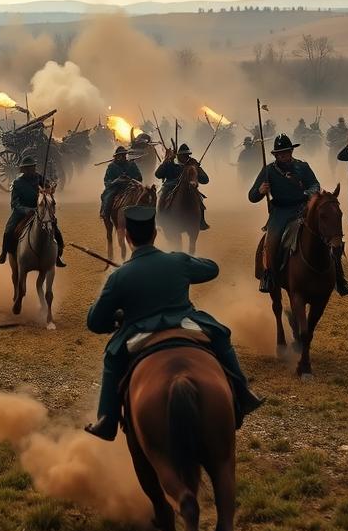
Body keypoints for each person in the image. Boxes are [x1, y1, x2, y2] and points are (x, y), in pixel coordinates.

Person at [83, 205, 263, 441]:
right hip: (185, 322)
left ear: (127, 237)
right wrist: (182, 262)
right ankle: (242, 392)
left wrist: (118, 319)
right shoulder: (177, 261)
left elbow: (95, 322)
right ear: (155, 234)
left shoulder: (119, 276)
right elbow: (211, 269)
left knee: (112, 358)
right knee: (220, 336)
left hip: (139, 330)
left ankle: (107, 421)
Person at [249, 133, 348, 296]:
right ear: (275, 155)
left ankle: (339, 278)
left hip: (303, 208)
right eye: (281, 153)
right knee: (272, 240)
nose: (284, 155)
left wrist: (309, 193)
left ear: (291, 151)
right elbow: (252, 196)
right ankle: (269, 276)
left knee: (331, 237)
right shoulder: (268, 171)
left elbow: (314, 184)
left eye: (287, 151)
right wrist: (260, 191)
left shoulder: (302, 167)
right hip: (281, 212)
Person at [0, 155, 65, 266]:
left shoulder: (39, 178)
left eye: (32, 167)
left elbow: (47, 188)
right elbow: (14, 203)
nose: (30, 170)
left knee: (54, 227)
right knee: (8, 229)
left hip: (39, 210)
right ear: (23, 170)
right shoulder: (17, 183)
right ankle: (4, 254)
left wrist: (49, 187)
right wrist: (26, 210)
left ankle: (57, 256)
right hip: (22, 212)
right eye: (28, 168)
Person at [154, 143, 210, 229]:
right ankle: (160, 219)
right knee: (160, 196)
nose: (185, 157)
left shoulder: (191, 164)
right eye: (183, 155)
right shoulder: (170, 162)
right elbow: (158, 175)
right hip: (169, 186)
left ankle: (201, 221)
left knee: (199, 198)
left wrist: (198, 168)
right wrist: (165, 161)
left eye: (187, 155)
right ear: (178, 155)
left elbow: (205, 180)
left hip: (188, 187)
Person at [100, 145, 142, 219]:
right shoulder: (112, 167)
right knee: (108, 196)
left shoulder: (131, 165)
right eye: (120, 155)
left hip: (131, 186)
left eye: (124, 155)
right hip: (116, 187)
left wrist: (131, 179)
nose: (122, 157)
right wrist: (116, 181)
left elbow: (139, 177)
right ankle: (105, 212)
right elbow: (107, 180)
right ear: (116, 156)